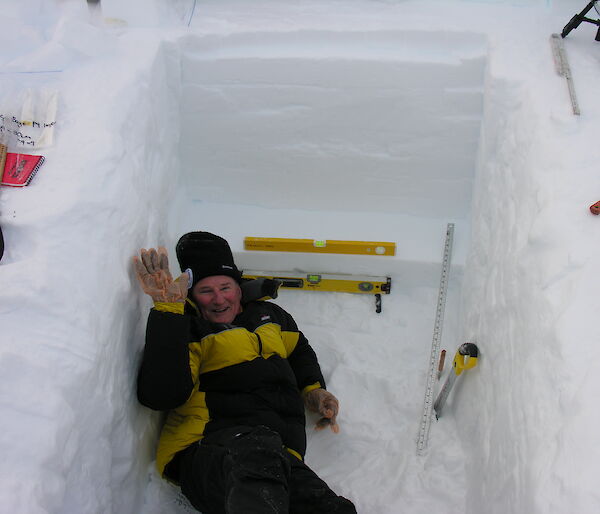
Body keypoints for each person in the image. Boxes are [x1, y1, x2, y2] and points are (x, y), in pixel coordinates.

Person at [134, 231, 357, 514]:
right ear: (191, 294)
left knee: (326, 506)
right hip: (206, 452)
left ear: (239, 287)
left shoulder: (270, 316)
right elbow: (161, 395)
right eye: (205, 290)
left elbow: (298, 350)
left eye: (225, 287)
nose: (218, 299)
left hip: (277, 457)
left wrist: (313, 390)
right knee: (258, 454)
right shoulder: (189, 329)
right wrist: (167, 312)